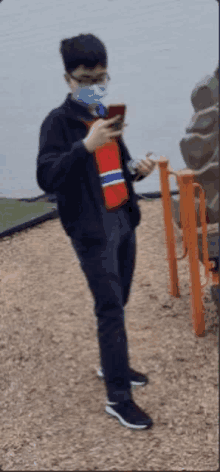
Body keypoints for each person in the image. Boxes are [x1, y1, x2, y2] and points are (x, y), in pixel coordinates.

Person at [36, 33, 155, 430]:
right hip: (91, 230)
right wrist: (84, 146)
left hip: (122, 218)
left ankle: (113, 364)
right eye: (86, 79)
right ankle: (118, 398)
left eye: (102, 77)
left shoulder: (105, 113)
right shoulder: (58, 123)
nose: (94, 86)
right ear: (68, 78)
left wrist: (135, 170)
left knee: (118, 302)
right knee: (109, 310)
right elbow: (47, 177)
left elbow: (114, 168)